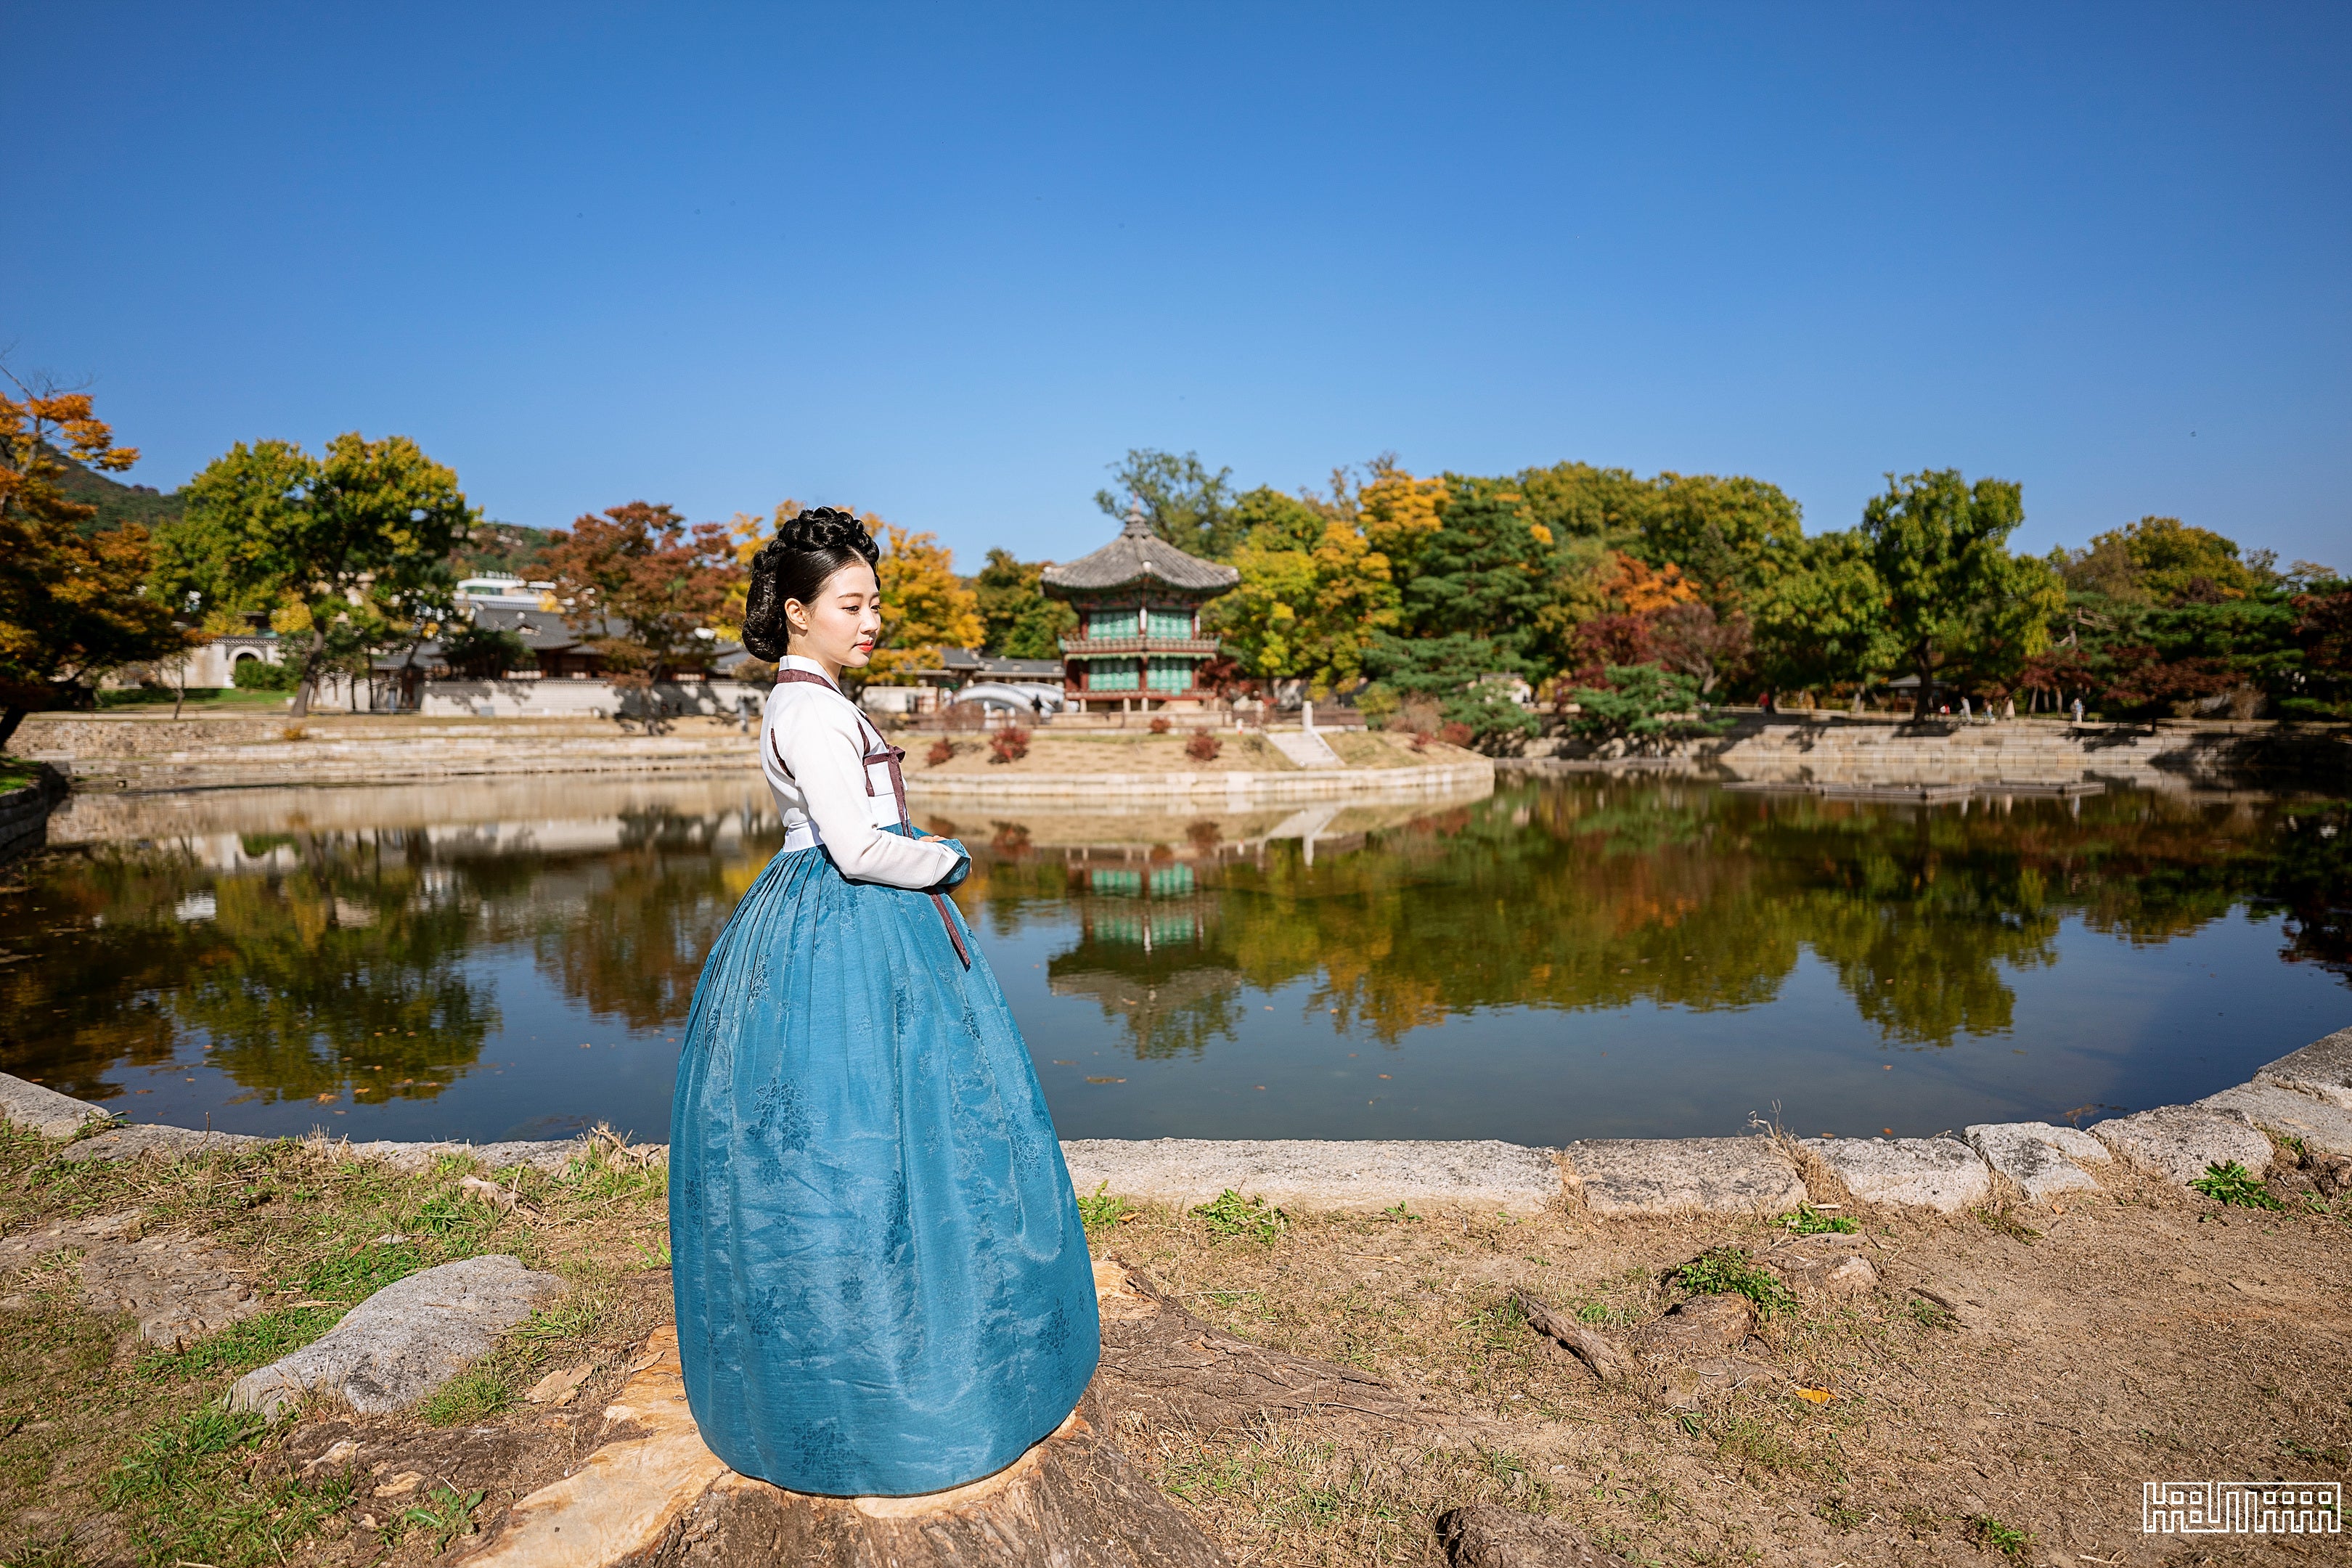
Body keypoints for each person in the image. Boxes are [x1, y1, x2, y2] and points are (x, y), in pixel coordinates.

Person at [668, 507, 1098, 1497]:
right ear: (796, 610)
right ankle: (883, 1384)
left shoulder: (816, 698)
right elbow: (858, 848)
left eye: (875, 603)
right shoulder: (809, 708)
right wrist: (945, 856)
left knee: (890, 1132)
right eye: (852, 604)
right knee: (858, 1138)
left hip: (843, 918)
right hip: (841, 924)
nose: (871, 620)